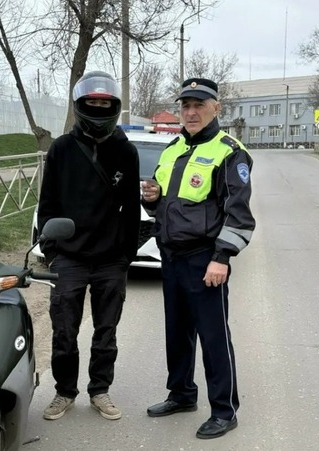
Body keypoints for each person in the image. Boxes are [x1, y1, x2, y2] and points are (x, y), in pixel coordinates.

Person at [141, 77, 256, 439]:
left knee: (213, 336)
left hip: (205, 258)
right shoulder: (172, 149)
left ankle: (224, 410)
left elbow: (238, 214)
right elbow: (166, 203)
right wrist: (152, 199)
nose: (190, 112)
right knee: (177, 333)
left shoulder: (229, 152)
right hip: (172, 257)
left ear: (216, 108)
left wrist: (221, 258)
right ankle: (181, 394)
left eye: (199, 105)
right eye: (185, 106)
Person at [36, 71, 141, 421]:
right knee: (64, 332)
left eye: (104, 103)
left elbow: (132, 209)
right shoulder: (62, 149)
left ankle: (100, 390)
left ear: (114, 106)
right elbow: (47, 204)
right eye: (92, 102)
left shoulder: (126, 151)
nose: (98, 107)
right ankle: (64, 392)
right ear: (80, 105)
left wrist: (126, 255)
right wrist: (53, 253)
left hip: (111, 260)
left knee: (106, 332)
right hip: (68, 258)